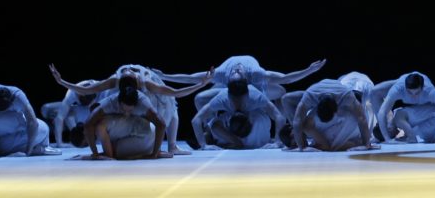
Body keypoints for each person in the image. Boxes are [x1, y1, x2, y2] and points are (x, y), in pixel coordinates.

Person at [49, 63, 212, 154]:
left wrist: (200, 84)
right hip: (125, 89)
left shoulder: (147, 83)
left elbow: (176, 92)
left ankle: (172, 146)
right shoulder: (114, 81)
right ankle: (115, 138)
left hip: (147, 80)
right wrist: (62, 82)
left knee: (171, 106)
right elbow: (87, 90)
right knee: (117, 111)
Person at [155, 55, 326, 110]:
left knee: (281, 91)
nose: (237, 69)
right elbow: (191, 77)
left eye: (238, 72)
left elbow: (286, 78)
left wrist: (309, 70)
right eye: (236, 72)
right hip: (229, 90)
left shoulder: (257, 74)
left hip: (253, 89)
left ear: (247, 77)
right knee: (200, 97)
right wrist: (165, 76)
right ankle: (209, 129)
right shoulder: (220, 74)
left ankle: (280, 135)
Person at [81, 76, 170, 160]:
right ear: (118, 102)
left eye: (130, 111)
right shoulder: (111, 102)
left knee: (101, 128)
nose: (127, 114)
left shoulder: (143, 103)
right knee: (101, 128)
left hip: (145, 135)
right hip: (142, 134)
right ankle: (148, 152)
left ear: (136, 104)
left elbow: (161, 124)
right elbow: (88, 124)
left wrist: (154, 153)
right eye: (123, 109)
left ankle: (148, 153)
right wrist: (95, 153)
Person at [281, 78, 377, 151]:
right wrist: (302, 146)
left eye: (294, 142)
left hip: (344, 86)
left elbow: (362, 118)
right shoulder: (309, 96)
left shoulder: (346, 96)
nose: (295, 144)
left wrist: (366, 143)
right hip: (319, 92)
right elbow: (297, 120)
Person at [191, 78, 285, 149]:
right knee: (199, 99)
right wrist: (203, 145)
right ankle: (207, 131)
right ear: (229, 96)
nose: (238, 106)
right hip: (226, 96)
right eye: (234, 102)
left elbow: (279, 117)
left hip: (255, 92)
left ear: (247, 96)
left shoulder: (257, 98)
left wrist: (278, 141)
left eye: (242, 103)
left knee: (281, 91)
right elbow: (196, 120)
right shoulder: (222, 99)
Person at [372, 71, 435, 144]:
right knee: (374, 92)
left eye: (417, 93)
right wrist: (387, 139)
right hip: (401, 82)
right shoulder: (398, 89)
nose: (413, 96)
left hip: (427, 110)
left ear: (422, 88)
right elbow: (382, 112)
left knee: (398, 114)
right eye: (410, 93)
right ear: (405, 88)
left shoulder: (429, 90)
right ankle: (388, 130)